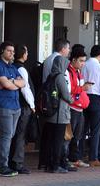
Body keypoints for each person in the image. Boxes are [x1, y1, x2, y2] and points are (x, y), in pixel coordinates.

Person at [0, 41, 25, 177]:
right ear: (2, 52)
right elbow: (7, 84)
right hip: (3, 105)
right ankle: (2, 166)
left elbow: (23, 83)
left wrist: (11, 83)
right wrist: (11, 83)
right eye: (9, 51)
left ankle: (2, 161)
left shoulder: (12, 67)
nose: (12, 53)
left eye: (13, 51)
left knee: (9, 136)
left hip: (16, 106)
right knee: (6, 135)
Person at [39, 39, 70, 168]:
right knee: (58, 139)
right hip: (59, 111)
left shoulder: (48, 65)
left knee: (49, 138)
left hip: (50, 107)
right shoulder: (60, 76)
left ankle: (47, 162)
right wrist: (72, 100)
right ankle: (56, 164)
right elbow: (66, 95)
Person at [8, 44, 35, 174]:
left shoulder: (13, 67)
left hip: (15, 104)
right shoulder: (22, 69)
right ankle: (17, 162)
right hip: (24, 106)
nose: (27, 54)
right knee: (20, 134)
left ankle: (10, 160)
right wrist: (32, 105)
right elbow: (26, 89)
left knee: (14, 133)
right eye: (27, 52)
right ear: (23, 54)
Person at [82, 45, 100, 167]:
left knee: (82, 129)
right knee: (95, 130)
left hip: (83, 97)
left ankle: (79, 155)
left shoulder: (83, 65)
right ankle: (93, 157)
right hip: (96, 99)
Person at [65, 48, 91, 169]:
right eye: (81, 61)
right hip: (72, 108)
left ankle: (74, 158)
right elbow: (69, 91)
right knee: (69, 136)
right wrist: (83, 88)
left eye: (84, 61)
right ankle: (65, 159)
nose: (83, 63)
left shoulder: (78, 72)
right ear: (73, 60)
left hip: (80, 108)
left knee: (78, 136)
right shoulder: (68, 72)